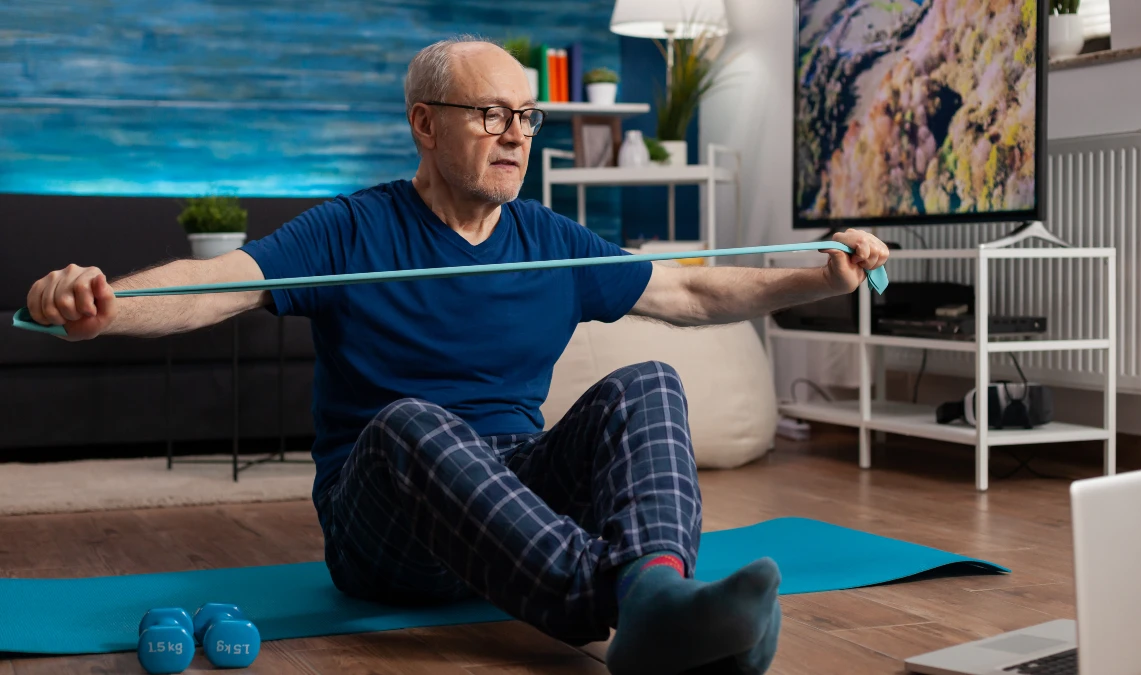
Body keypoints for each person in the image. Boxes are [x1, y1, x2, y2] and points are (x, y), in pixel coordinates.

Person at [24, 38, 887, 674]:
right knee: (414, 420)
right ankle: (637, 607)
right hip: (387, 520)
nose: (516, 134)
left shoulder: (550, 238)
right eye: (490, 114)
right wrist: (100, 307)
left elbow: (692, 294)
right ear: (425, 125)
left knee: (649, 382)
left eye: (526, 116)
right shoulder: (353, 226)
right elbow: (221, 284)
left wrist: (819, 274)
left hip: (514, 501)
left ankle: (657, 590)